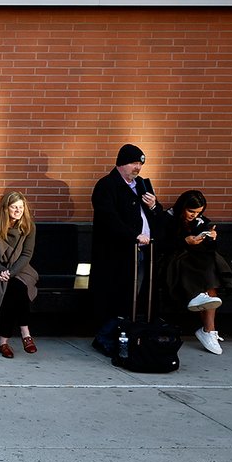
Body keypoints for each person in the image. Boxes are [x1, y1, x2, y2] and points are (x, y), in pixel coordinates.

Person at [90, 144, 164, 356]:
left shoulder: (142, 185)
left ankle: (130, 334)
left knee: (136, 295)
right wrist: (133, 236)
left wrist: (153, 206)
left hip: (143, 251)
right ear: (121, 163)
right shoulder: (107, 185)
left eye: (140, 163)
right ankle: (105, 336)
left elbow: (156, 216)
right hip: (118, 253)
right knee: (118, 295)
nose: (138, 168)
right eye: (134, 163)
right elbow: (109, 218)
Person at [163, 189, 232, 356]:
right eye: (191, 211)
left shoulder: (201, 221)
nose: (194, 215)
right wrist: (184, 241)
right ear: (182, 207)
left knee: (209, 265)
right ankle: (207, 328)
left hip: (198, 264)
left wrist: (211, 239)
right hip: (174, 263)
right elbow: (160, 245)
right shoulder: (167, 219)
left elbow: (210, 249)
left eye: (198, 212)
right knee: (202, 268)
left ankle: (208, 329)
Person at [0, 190, 39, 358]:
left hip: (21, 269)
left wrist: (10, 273)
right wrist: (0, 270)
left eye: (21, 207)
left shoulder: (28, 227)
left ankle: (3, 342)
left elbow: (27, 255)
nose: (18, 211)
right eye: (14, 207)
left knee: (16, 288)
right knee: (13, 291)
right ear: (6, 208)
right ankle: (25, 334)